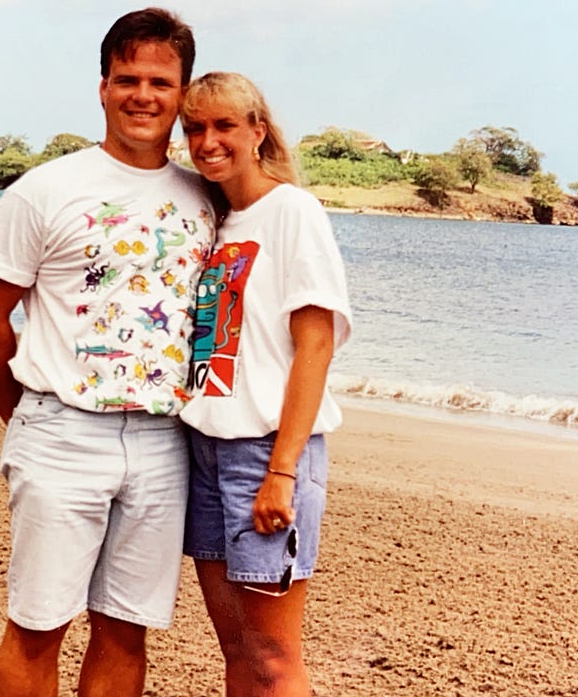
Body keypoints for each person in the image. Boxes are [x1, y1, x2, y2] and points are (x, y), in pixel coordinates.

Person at [0, 8, 214, 697]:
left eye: (160, 82)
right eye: (127, 78)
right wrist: (27, 415)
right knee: (40, 625)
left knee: (125, 629)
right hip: (61, 429)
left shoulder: (203, 198)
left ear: (182, 93)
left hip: (164, 442)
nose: (143, 95)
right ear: (102, 87)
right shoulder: (47, 190)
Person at [177, 72, 353, 696]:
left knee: (275, 657)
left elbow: (317, 345)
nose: (208, 140)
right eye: (195, 127)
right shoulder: (219, 221)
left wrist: (281, 470)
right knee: (237, 650)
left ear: (258, 131)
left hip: (266, 451)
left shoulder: (292, 212)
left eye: (224, 125)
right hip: (204, 447)